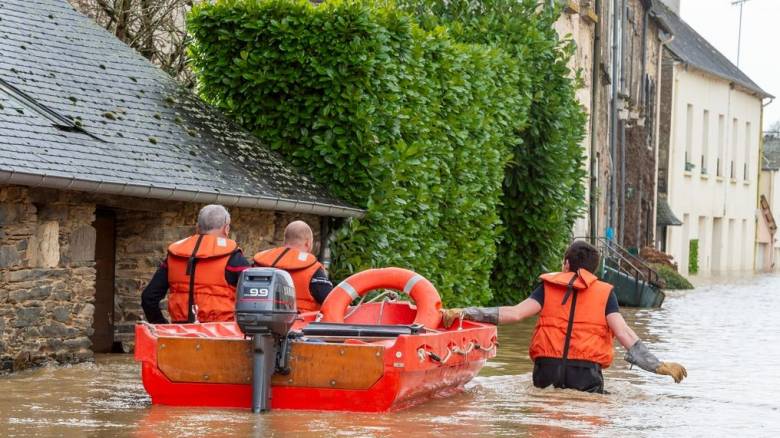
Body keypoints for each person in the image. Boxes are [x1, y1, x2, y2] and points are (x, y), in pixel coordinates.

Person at [441, 241, 687, 393]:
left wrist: (466, 312)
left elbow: (514, 313)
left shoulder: (547, 287)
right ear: (594, 269)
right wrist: (657, 365)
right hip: (585, 375)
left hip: (546, 371)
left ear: (566, 264)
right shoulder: (604, 294)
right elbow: (624, 334)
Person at [141, 204, 252, 324]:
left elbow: (148, 298)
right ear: (226, 229)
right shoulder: (234, 258)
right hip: (221, 335)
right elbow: (254, 303)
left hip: (181, 334)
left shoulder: (174, 256)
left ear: (197, 227)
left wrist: (162, 326)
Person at [253, 220, 333, 312]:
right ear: (308, 243)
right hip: (301, 323)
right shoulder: (312, 268)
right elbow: (331, 300)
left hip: (261, 319)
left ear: (284, 240)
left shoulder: (261, 261)